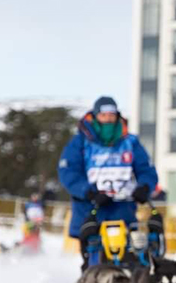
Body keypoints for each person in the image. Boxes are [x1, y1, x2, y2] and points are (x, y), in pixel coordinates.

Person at [58, 96, 158, 269]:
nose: (108, 119)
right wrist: (88, 192)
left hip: (123, 209)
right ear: (95, 116)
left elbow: (146, 169)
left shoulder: (130, 142)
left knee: (131, 261)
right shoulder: (80, 142)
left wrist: (144, 187)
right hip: (91, 210)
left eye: (112, 115)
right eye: (104, 115)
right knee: (94, 264)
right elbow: (68, 172)